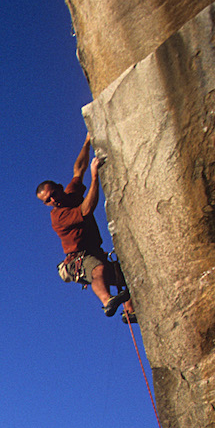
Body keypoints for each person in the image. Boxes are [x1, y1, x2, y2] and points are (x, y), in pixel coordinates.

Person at [37, 134, 133, 318]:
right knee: (98, 269)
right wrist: (95, 177)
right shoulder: (59, 217)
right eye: (48, 200)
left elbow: (78, 170)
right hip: (78, 259)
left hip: (95, 252)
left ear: (59, 187)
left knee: (126, 274)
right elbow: (87, 209)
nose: (53, 200)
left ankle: (129, 311)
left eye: (53, 194)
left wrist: (87, 142)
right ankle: (107, 301)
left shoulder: (70, 194)